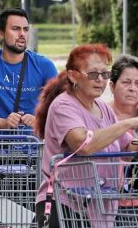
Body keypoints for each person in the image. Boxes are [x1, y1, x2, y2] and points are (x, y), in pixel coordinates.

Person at [34, 44, 138, 227]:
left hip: (98, 208)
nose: (100, 80)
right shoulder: (63, 106)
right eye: (92, 74)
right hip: (65, 206)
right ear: (73, 75)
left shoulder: (103, 108)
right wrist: (128, 123)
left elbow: (127, 148)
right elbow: (84, 144)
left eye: (104, 74)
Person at [0, 8, 57, 129]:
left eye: (25, 29)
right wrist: (2, 123)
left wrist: (38, 120)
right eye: (15, 29)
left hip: (33, 145)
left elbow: (59, 108)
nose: (22, 34)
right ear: (1, 33)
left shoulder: (45, 66)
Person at [107, 55, 138, 224]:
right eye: (126, 83)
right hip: (106, 204)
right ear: (112, 86)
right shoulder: (101, 116)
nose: (133, 88)